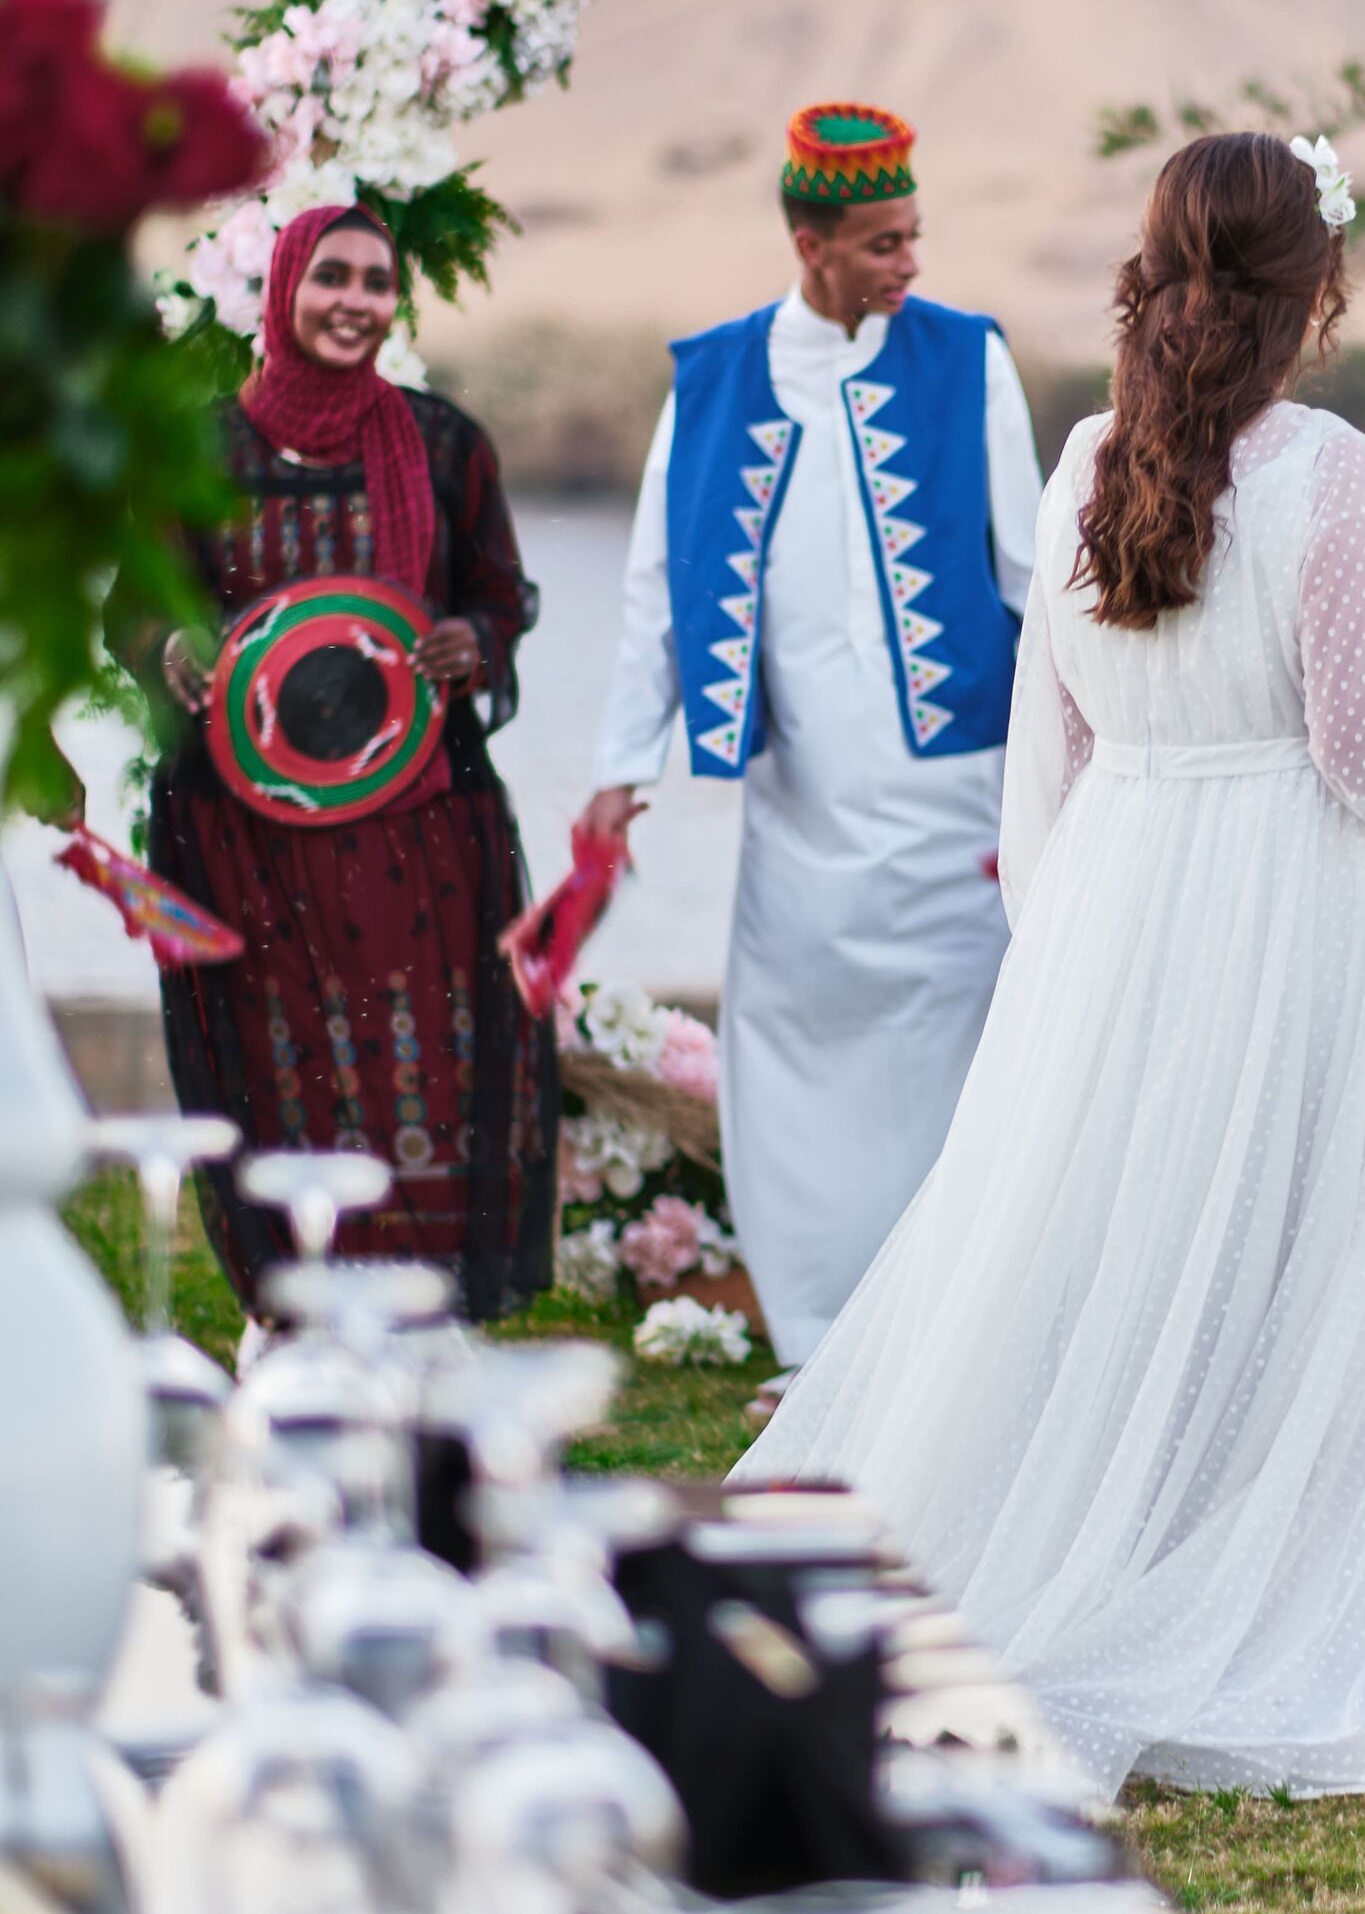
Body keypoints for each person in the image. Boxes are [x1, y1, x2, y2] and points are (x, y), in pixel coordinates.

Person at [737, 132, 1365, 1800]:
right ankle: (1221, 1579)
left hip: (1122, 881)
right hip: (1297, 894)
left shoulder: (1089, 454)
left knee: (1105, 1238)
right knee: (1293, 1243)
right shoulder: (1334, 482)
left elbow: (1055, 738)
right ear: (1318, 289)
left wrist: (1068, 925)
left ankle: (1082, 1526)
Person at [581, 101, 1042, 1368]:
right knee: (788, 1054)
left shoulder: (972, 360)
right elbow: (654, 589)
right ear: (810, 240)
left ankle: (958, 1338)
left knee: (964, 1045)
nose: (909, 264)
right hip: (795, 795)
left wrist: (1076, 744)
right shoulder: (713, 379)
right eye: (884, 243)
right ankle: (821, 1344)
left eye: (915, 236)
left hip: (958, 785)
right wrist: (624, 769)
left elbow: (1030, 571)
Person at [149, 200, 555, 1318]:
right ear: (283, 289)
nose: (357, 302)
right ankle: (293, 1319)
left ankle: (425, 1323)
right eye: (334, 276)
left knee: (432, 1060)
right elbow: (140, 607)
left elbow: (494, 594)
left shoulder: (442, 442)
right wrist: (173, 647)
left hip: (415, 827)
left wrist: (473, 639)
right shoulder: (197, 450)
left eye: (379, 283)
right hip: (243, 832)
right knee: (275, 1067)